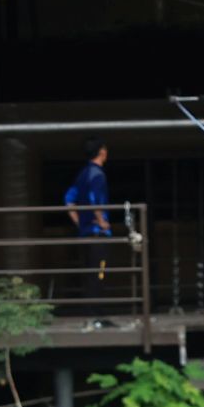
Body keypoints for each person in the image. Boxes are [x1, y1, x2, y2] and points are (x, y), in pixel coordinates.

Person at [63, 136, 114, 326]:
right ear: (101, 151)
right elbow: (94, 199)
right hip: (97, 233)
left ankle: (92, 312)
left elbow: (69, 198)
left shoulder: (83, 173)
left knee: (90, 272)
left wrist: (78, 221)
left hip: (85, 232)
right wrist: (101, 221)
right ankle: (97, 314)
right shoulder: (97, 174)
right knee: (99, 271)